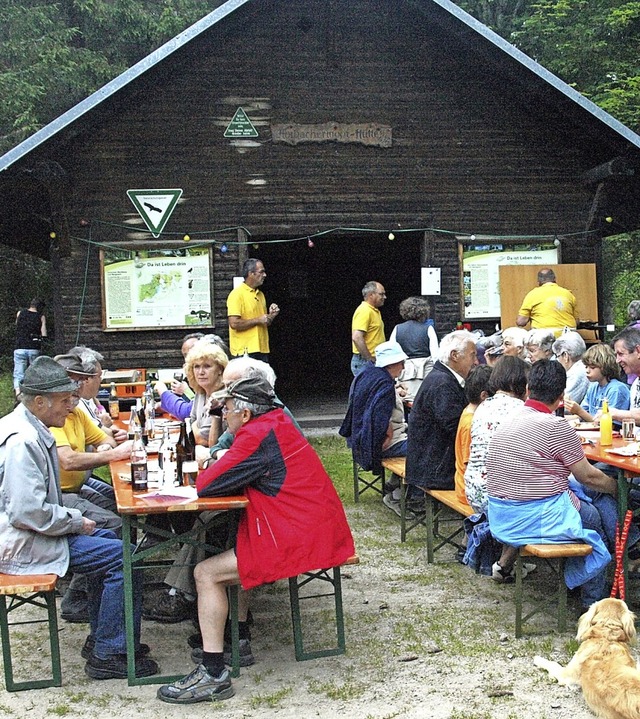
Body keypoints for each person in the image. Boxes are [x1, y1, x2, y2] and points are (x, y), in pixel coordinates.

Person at [157, 375, 355, 704]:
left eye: (229, 408)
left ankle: (214, 672)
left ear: (246, 414)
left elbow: (206, 485)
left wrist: (212, 457)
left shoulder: (256, 436)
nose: (225, 413)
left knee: (206, 573)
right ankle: (234, 638)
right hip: (312, 526)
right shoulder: (276, 423)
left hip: (299, 536)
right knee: (223, 543)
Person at [0, 356, 158, 679]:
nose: (70, 406)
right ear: (40, 402)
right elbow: (26, 512)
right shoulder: (22, 442)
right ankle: (110, 653)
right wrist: (74, 520)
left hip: (36, 534)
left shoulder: (29, 427)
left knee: (113, 541)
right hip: (22, 545)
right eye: (63, 400)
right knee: (125, 558)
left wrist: (73, 521)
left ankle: (107, 639)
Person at [486, 360, 636, 609]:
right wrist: (621, 490)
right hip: (535, 515)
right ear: (561, 395)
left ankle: (623, 551)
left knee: (594, 498)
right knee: (597, 515)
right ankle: (594, 600)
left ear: (528, 388)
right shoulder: (556, 426)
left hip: (502, 513)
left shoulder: (510, 420)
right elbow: (589, 476)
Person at [339, 341, 410, 515]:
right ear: (391, 363)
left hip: (360, 439)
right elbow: (379, 423)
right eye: (401, 362)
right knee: (428, 449)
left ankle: (394, 483)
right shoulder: (384, 385)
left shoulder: (368, 374)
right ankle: (399, 495)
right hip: (375, 446)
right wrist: (382, 442)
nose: (403, 366)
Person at [406, 330, 478, 491]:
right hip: (435, 471)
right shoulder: (442, 383)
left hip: (432, 464)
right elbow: (457, 428)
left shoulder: (442, 377)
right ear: (454, 355)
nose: (476, 362)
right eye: (473, 355)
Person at [226, 258, 279, 361]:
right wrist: (258, 319)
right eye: (261, 272)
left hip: (262, 350)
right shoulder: (236, 294)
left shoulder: (260, 294)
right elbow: (234, 324)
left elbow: (264, 322)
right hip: (244, 351)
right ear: (251, 274)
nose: (265, 275)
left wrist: (272, 315)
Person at [454, 364, 492, 505]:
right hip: (467, 490)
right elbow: (470, 463)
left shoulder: (470, 411)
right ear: (484, 396)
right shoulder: (471, 422)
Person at [564, 343, 630, 424]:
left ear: (605, 367)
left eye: (592, 367)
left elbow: (607, 424)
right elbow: (580, 416)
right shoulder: (593, 387)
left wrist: (579, 411)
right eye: (586, 367)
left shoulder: (616, 389)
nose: (587, 371)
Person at [389, 296, 439, 402]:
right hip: (425, 371)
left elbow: (392, 354)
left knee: (405, 401)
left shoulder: (397, 329)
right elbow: (435, 355)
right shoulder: (428, 329)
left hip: (404, 371)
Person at [184, 340, 228, 446]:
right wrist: (193, 426)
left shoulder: (221, 396)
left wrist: (194, 426)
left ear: (220, 370)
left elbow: (202, 439)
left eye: (207, 366)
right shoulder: (201, 392)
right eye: (196, 367)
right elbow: (190, 421)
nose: (201, 372)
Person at [155, 332, 204, 420]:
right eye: (185, 356)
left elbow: (187, 411)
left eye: (191, 354)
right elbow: (181, 405)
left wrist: (164, 393)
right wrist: (162, 405)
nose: (187, 360)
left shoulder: (205, 378)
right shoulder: (188, 378)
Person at [516, 268, 578, 336]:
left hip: (543, 337)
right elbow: (577, 321)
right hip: (568, 335)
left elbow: (521, 322)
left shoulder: (533, 294)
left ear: (539, 281)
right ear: (554, 279)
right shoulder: (568, 294)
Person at [350, 281, 386, 376]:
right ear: (371, 295)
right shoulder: (364, 311)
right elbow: (357, 337)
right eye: (381, 294)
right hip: (365, 362)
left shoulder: (373, 311)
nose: (384, 297)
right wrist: (369, 358)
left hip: (371, 360)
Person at [13, 297, 47, 396]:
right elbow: (43, 333)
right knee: (35, 371)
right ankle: (34, 392)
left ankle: (18, 393)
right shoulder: (41, 316)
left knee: (19, 373)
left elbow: (17, 326)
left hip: (20, 346)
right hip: (33, 347)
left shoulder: (20, 313)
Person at [610, 326, 640, 423]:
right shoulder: (636, 384)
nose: (617, 360)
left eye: (621, 354)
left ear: (638, 351)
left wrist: (615, 414)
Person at [552, 330, 589, 404]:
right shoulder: (580, 368)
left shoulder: (577, 374)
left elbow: (565, 405)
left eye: (557, 356)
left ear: (565, 356)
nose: (556, 360)